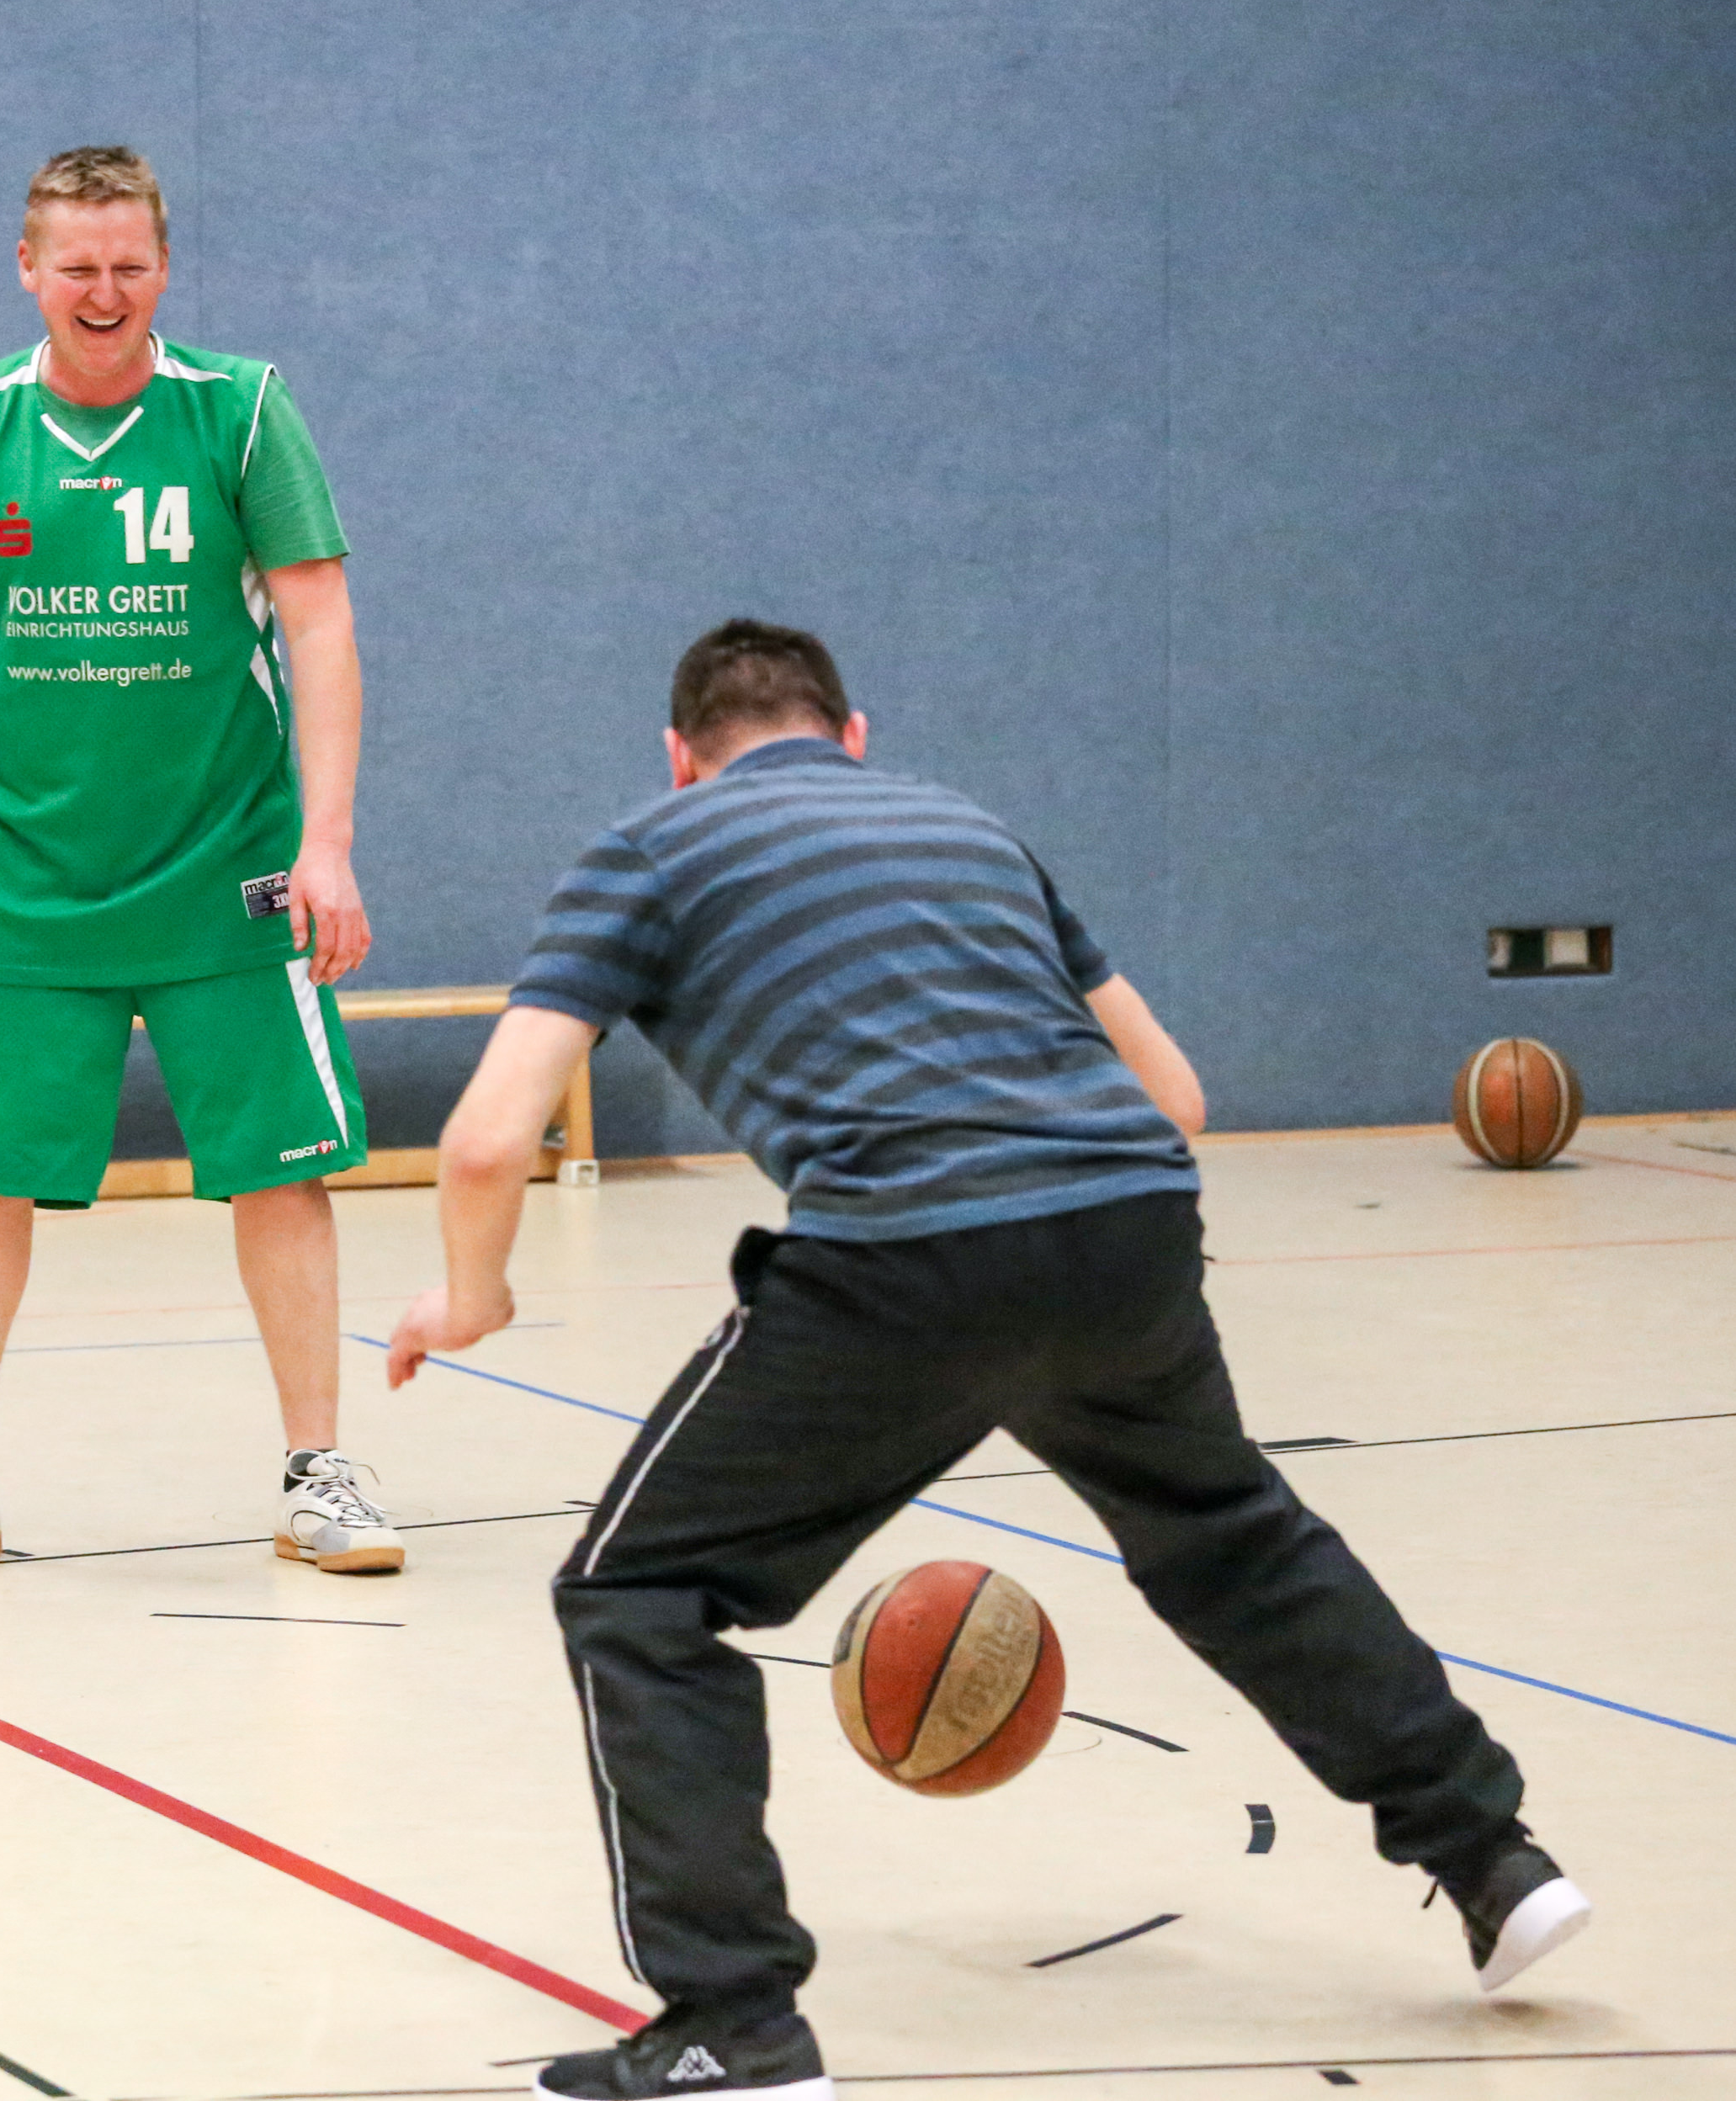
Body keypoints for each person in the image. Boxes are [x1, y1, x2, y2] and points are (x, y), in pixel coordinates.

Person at [388, 619, 1587, 2100]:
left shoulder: (649, 847)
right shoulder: (970, 828)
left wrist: (472, 1299)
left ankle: (733, 2025)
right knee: (1231, 1541)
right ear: (854, 737)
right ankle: (1494, 1859)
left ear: (681, 757)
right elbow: (1178, 1095)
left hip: (907, 1253)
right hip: (1129, 1224)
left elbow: (487, 1139)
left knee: (635, 1594)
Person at [0, 146, 402, 1578]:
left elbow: (320, 626)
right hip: (28, 871)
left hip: (229, 864)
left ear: (164, 267)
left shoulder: (241, 410)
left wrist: (329, 843)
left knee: (281, 1171)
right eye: (77, 267)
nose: (104, 292)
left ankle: (319, 1470)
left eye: (129, 266)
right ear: (28, 269)